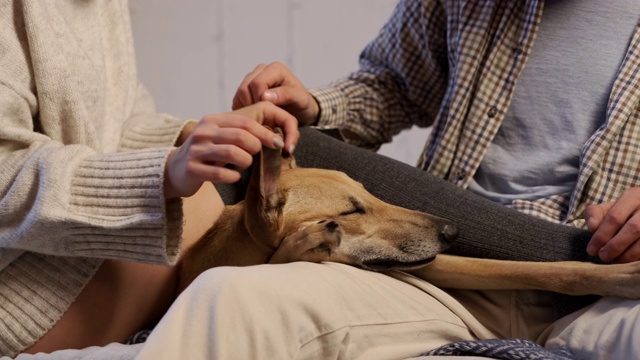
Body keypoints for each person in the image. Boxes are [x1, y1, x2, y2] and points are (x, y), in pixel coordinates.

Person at [135, 0, 640, 359]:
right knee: (231, 296)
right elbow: (393, 85)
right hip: (438, 270)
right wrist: (313, 107)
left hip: (609, 283)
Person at [0, 1, 300, 357]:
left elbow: (118, 122)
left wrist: (199, 135)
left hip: (73, 254)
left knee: (283, 158)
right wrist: (164, 175)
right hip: (21, 293)